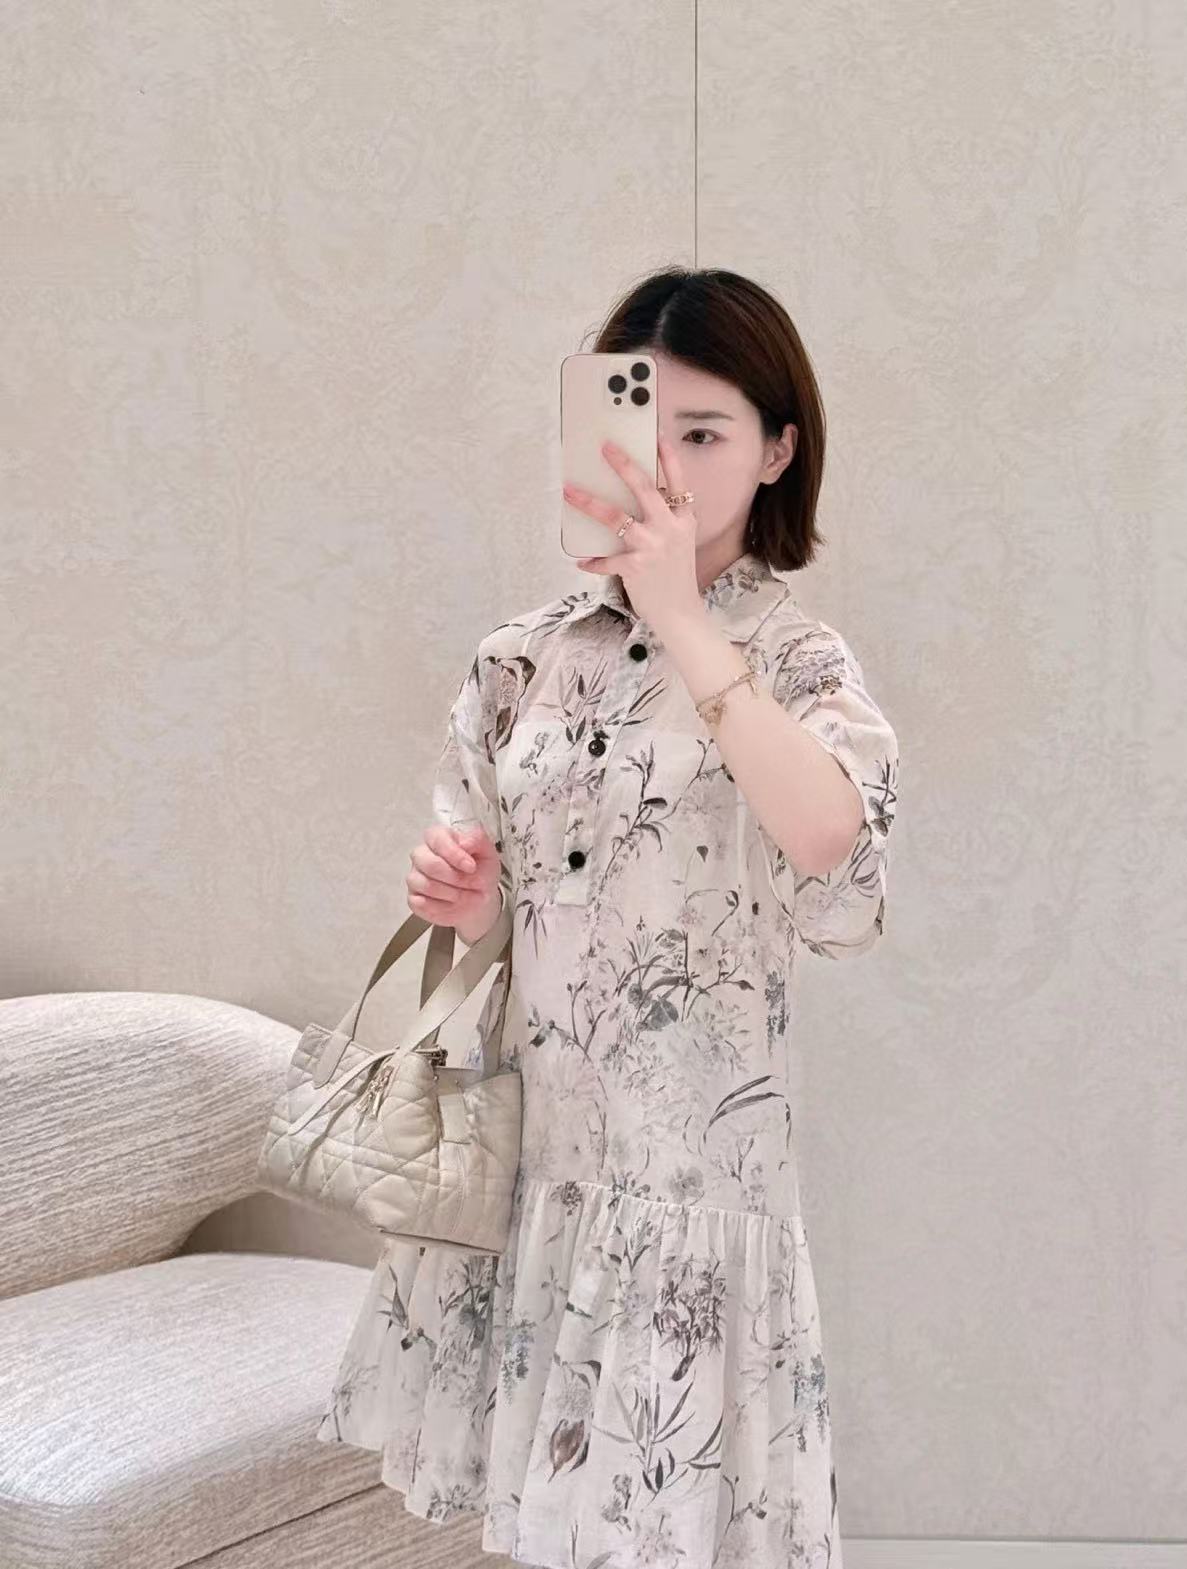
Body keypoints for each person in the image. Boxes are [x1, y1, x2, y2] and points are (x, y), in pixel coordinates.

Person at [315, 267, 900, 1569]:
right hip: (539, 1163)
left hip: (695, 1184)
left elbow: (834, 856)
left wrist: (685, 621)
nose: (668, 468)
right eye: (644, 429)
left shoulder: (797, 661)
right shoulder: (520, 659)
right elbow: (492, 906)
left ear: (777, 449)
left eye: (705, 433)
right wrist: (469, 901)